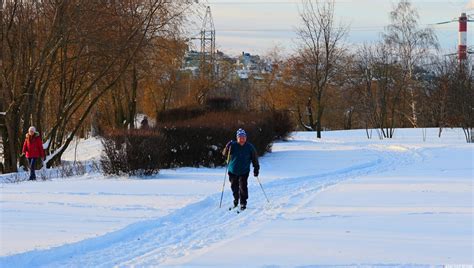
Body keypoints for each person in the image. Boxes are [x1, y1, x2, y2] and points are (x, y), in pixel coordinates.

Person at [222, 128, 260, 210]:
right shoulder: (233, 145)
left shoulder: (250, 147)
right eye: (240, 137)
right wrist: (227, 147)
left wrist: (256, 168)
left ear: (246, 138)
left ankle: (243, 203)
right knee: (234, 187)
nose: (242, 139)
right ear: (237, 138)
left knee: (243, 187)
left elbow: (254, 158)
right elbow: (225, 154)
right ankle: (236, 200)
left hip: (244, 171)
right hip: (233, 171)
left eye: (243, 137)